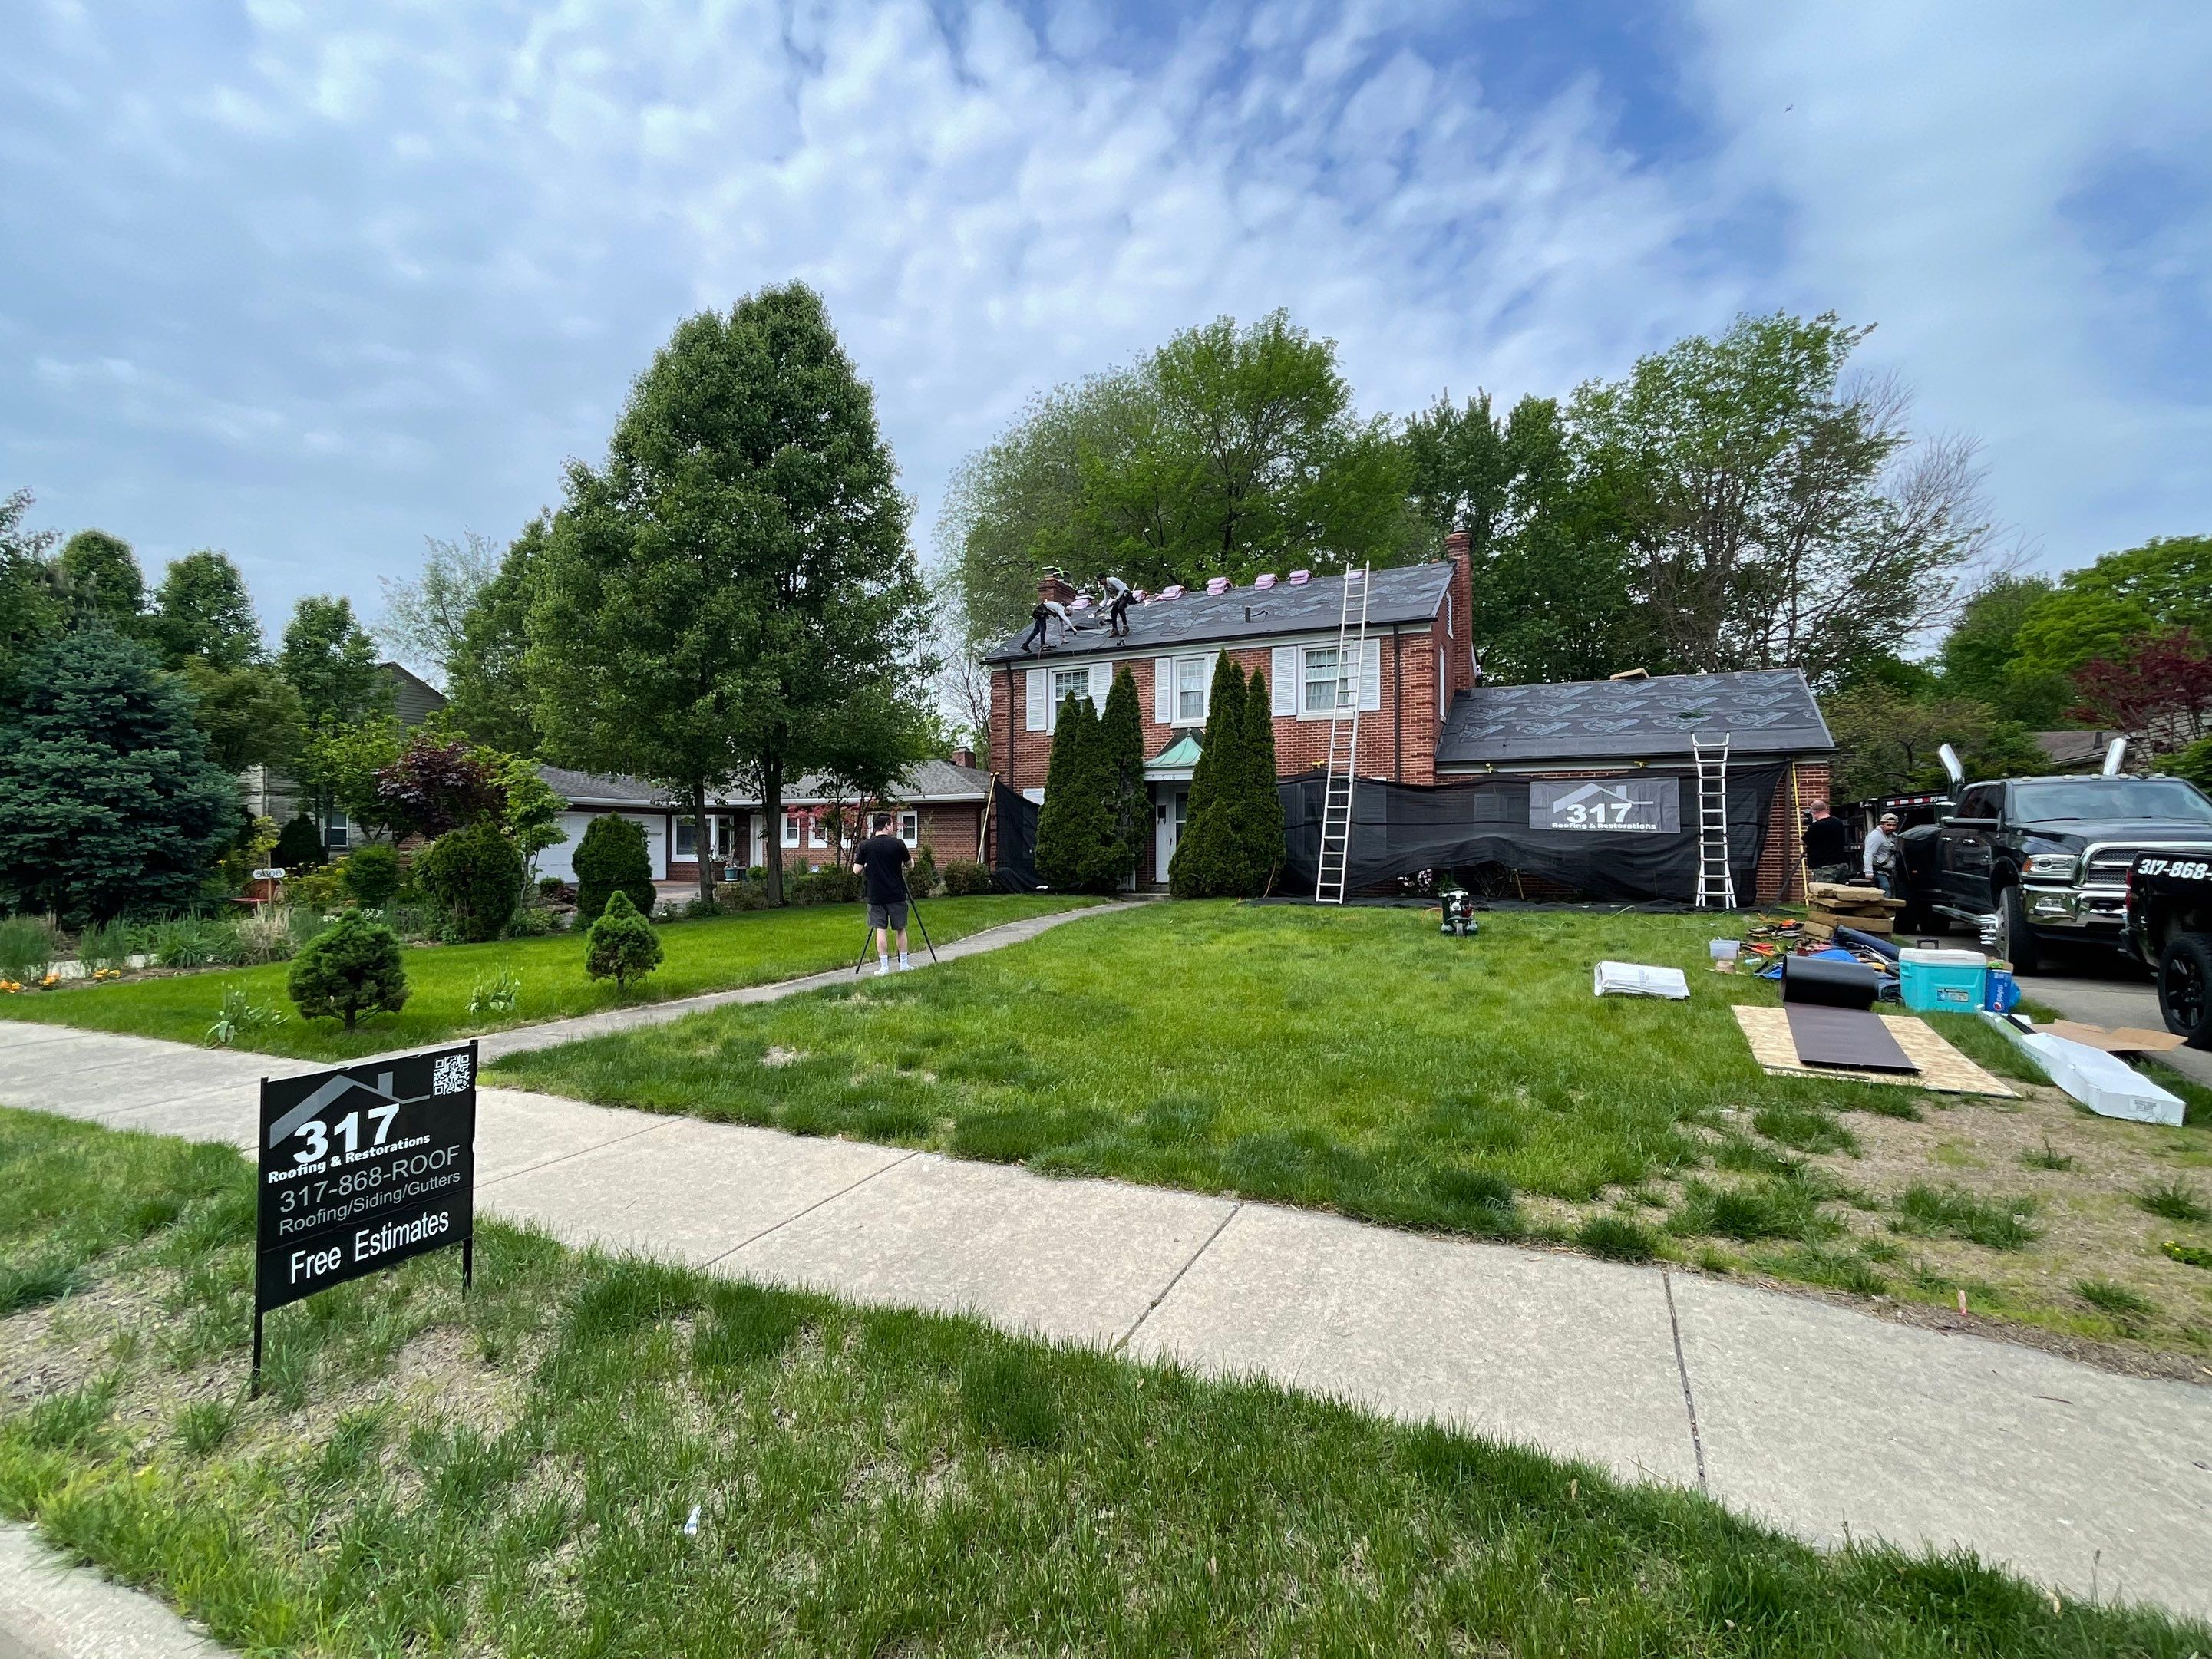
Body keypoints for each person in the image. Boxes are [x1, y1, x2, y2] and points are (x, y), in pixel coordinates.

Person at [853, 811, 916, 974]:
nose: (893, 827)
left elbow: (856, 870)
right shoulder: (898, 844)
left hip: (876, 895)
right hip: (896, 893)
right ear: (887, 826)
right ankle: (904, 965)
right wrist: (911, 862)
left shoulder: (865, 846)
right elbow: (910, 865)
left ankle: (884, 967)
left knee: (880, 929)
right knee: (900, 928)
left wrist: (867, 865)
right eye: (892, 824)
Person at [1801, 799, 1852, 884]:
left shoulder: (1816, 826)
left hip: (1824, 867)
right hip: (1841, 864)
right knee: (1840, 891)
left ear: (1814, 811)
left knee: (1824, 891)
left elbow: (1803, 841)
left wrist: (1812, 824)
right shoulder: (1838, 822)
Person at [1864, 810, 1902, 898]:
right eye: (1888, 825)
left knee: (1892, 893)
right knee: (1886, 893)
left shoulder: (1891, 836)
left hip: (1888, 872)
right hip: (1879, 871)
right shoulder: (1875, 836)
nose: (1891, 828)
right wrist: (1869, 873)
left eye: (1894, 825)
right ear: (1882, 824)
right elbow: (1868, 854)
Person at [1099, 573, 1134, 638]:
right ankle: (1115, 629)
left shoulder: (1112, 581)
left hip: (1125, 593)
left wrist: (1116, 599)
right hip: (1119, 597)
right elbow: (1107, 597)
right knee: (1113, 612)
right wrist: (1101, 607)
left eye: (1100, 580)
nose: (1100, 582)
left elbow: (1121, 590)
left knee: (1120, 607)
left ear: (1104, 578)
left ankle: (1125, 627)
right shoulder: (1105, 586)